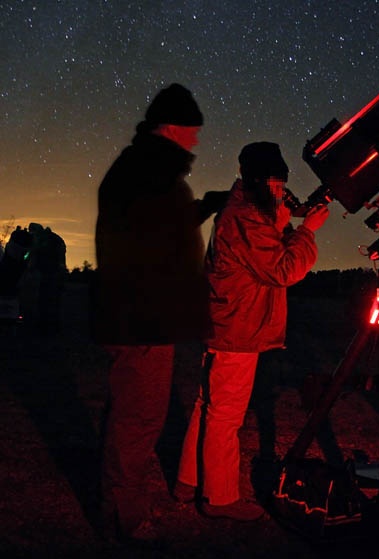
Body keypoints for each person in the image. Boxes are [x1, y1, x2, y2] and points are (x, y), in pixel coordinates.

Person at [93, 83, 225, 541]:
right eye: (191, 131)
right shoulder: (147, 171)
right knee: (139, 416)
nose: (195, 141)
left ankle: (119, 505)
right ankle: (123, 517)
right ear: (171, 127)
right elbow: (148, 242)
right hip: (141, 319)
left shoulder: (145, 170)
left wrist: (205, 206)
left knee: (134, 412)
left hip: (142, 315)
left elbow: (159, 228)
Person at [174, 141, 329, 521]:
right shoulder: (246, 216)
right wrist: (307, 230)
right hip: (239, 328)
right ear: (264, 179)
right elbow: (282, 269)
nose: (281, 192)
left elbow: (264, 251)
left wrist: (282, 221)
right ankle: (220, 498)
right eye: (278, 184)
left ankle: (188, 482)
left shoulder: (246, 210)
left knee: (207, 405)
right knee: (225, 415)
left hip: (227, 322)